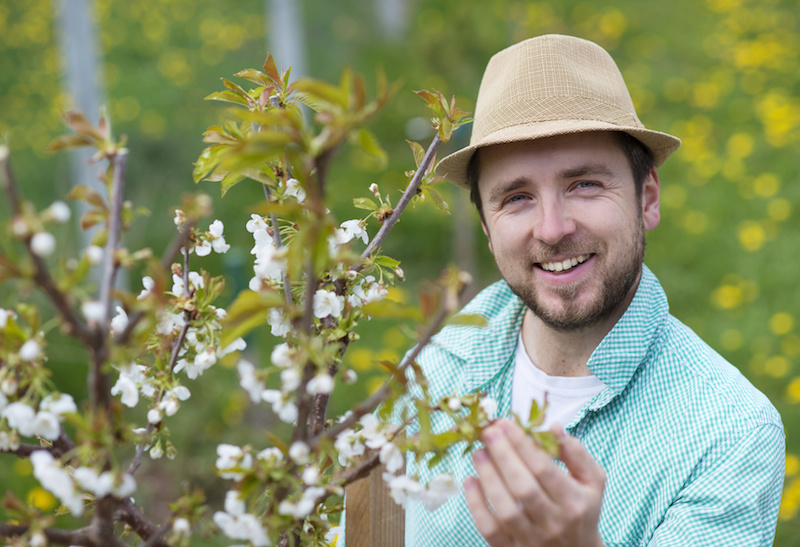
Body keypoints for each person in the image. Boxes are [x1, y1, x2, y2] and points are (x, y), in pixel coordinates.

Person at [401, 34, 785, 546]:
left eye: (584, 184)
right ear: (488, 229)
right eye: (516, 197)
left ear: (646, 198)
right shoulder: (431, 368)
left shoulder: (728, 433)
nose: (553, 228)